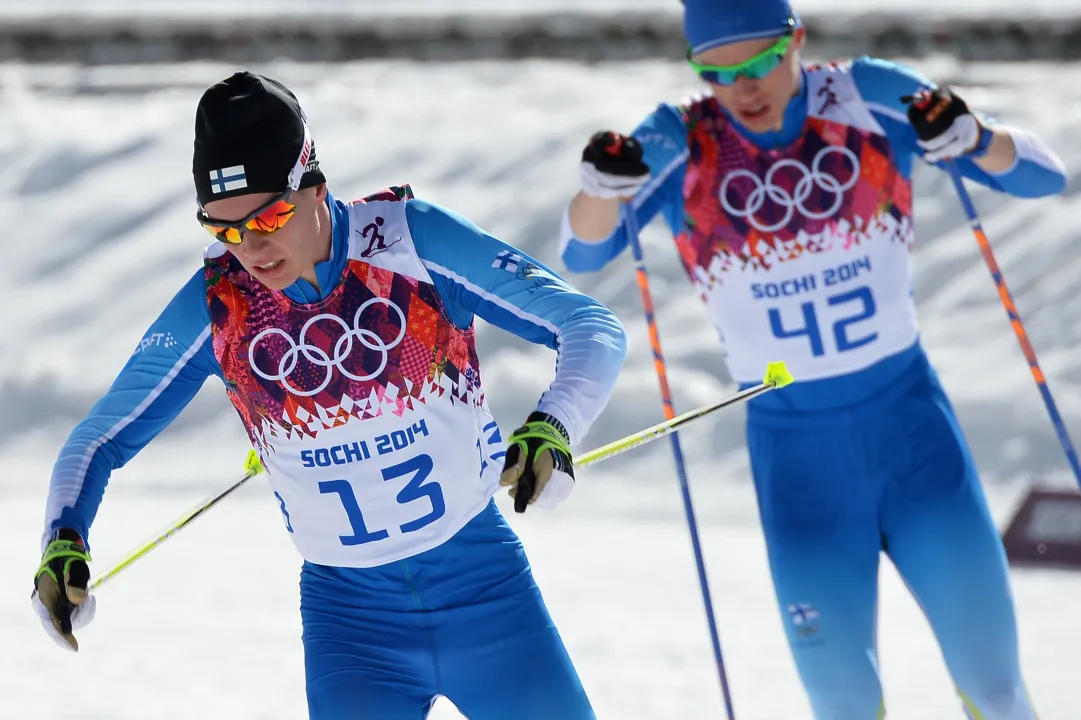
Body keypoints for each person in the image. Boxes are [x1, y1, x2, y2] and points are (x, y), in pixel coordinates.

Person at [32, 71, 628, 720]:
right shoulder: (218, 307)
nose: (251, 249)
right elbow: (98, 438)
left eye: (271, 217)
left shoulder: (410, 245)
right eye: (224, 229)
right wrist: (64, 542)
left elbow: (589, 325)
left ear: (315, 184)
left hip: (484, 592)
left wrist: (553, 423)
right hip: (351, 628)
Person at [559, 1, 1066, 718]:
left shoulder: (864, 96)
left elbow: (1043, 178)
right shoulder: (679, 137)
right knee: (843, 704)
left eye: (762, 61)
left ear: (796, 40)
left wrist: (974, 136)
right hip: (798, 457)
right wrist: (597, 189)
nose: (743, 87)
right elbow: (583, 251)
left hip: (911, 433)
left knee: (994, 689)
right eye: (716, 71)